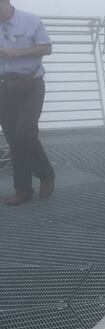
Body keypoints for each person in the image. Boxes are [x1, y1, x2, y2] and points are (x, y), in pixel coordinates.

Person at [0, 0, 55, 206]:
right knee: (14, 139)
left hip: (31, 84)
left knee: (26, 134)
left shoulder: (30, 20)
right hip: (4, 86)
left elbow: (46, 48)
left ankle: (46, 174)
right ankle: (22, 189)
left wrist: (15, 52)